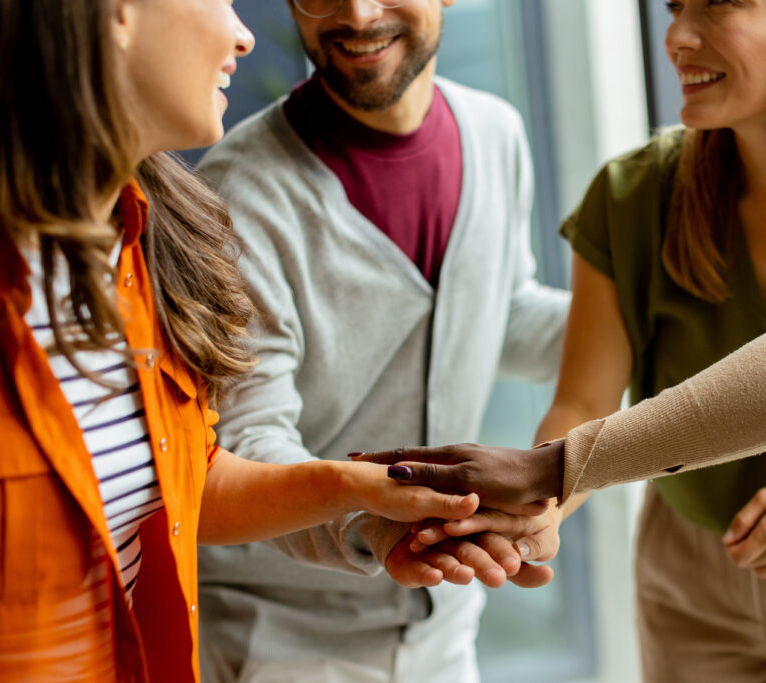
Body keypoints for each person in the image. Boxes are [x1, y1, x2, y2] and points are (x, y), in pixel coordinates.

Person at [400, 1, 766, 679]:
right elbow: (582, 404)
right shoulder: (634, 199)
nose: (675, 38)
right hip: (684, 564)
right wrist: (543, 509)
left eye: (716, 3)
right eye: (674, 7)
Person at [0, 1, 485, 681]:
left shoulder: (143, 247)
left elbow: (188, 482)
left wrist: (363, 493)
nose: (243, 33)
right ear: (117, 15)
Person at [193, 0, 569, 681]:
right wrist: (371, 519)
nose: (359, 14)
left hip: (445, 619)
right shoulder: (234, 196)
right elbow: (248, 446)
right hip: (283, 639)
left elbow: (498, 314)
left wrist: (649, 309)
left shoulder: (494, 132)